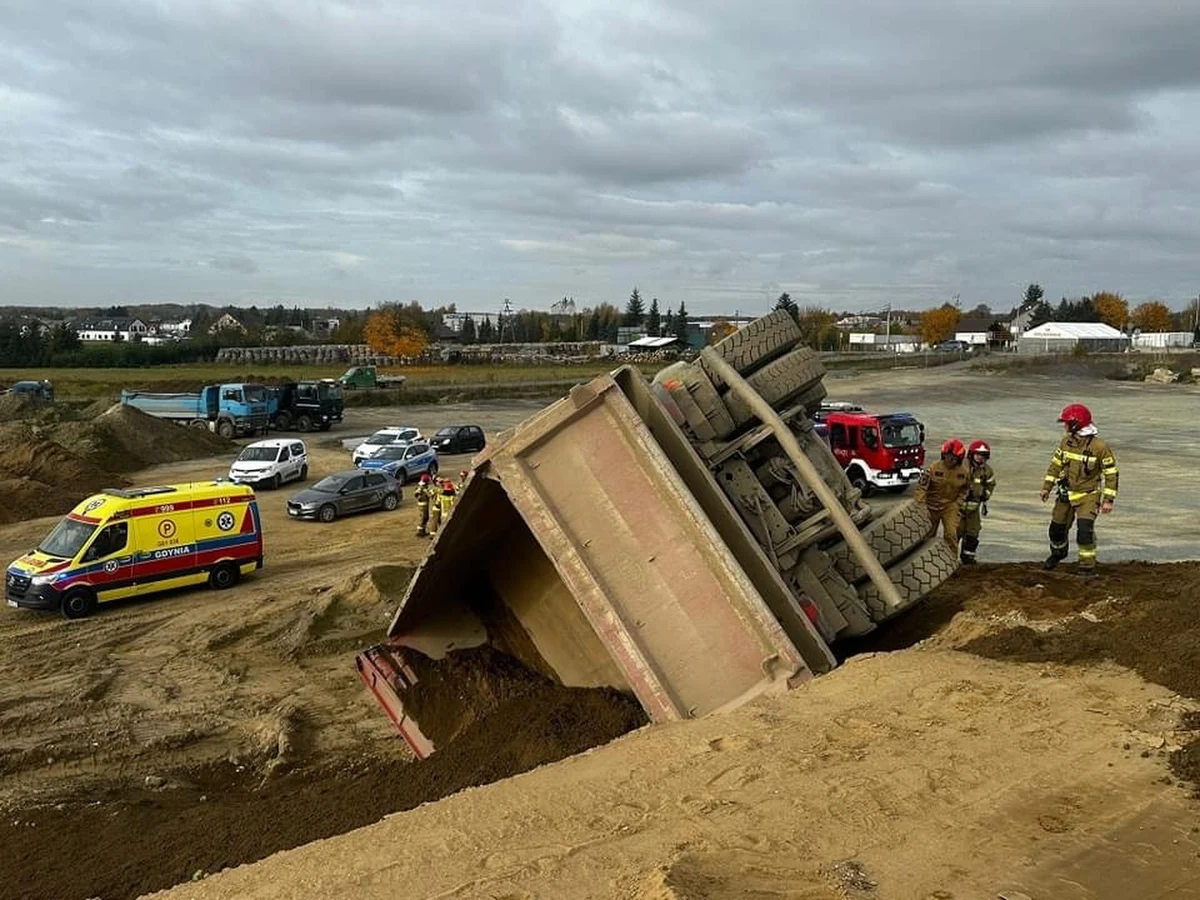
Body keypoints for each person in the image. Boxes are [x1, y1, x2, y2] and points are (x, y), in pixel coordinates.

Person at [1041, 403, 1118, 576]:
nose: (1064, 426)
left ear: (1076, 424)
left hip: (1088, 495)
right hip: (1065, 493)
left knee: (1085, 532)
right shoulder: (1065, 443)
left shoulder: (1100, 447)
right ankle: (1058, 553)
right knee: (1056, 530)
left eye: (1066, 423)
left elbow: (1111, 474)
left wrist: (1108, 500)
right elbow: (1055, 465)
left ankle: (1087, 567)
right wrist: (1047, 488)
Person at [914, 439, 971, 550]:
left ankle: (952, 561)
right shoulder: (933, 468)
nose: (950, 459)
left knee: (951, 535)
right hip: (931, 506)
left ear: (958, 459)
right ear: (943, 455)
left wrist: (957, 504)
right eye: (947, 456)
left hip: (949, 507)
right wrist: (921, 506)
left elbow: (965, 489)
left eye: (953, 458)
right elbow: (921, 488)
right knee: (927, 536)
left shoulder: (963, 473)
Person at [959, 440, 997, 565]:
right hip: (957, 508)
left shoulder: (987, 471)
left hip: (973, 509)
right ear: (971, 454)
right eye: (978, 455)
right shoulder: (961, 466)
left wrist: (984, 495)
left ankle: (968, 559)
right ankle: (947, 560)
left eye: (984, 456)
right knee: (954, 534)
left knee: (972, 533)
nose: (981, 458)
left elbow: (991, 484)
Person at [414, 474, 435, 538]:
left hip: (422, 504)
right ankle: (420, 532)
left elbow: (416, 494)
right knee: (423, 518)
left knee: (425, 517)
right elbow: (431, 495)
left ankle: (422, 530)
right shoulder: (423, 488)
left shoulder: (420, 487)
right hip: (423, 505)